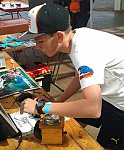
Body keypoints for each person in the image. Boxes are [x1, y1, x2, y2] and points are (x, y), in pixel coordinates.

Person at [19, 3, 124, 150]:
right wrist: (58, 102)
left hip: (120, 103)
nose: (37, 46)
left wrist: (41, 107)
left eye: (40, 41)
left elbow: (93, 108)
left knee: (105, 145)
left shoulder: (84, 52)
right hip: (110, 94)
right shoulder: (77, 36)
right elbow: (78, 77)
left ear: (59, 36)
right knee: (70, 119)